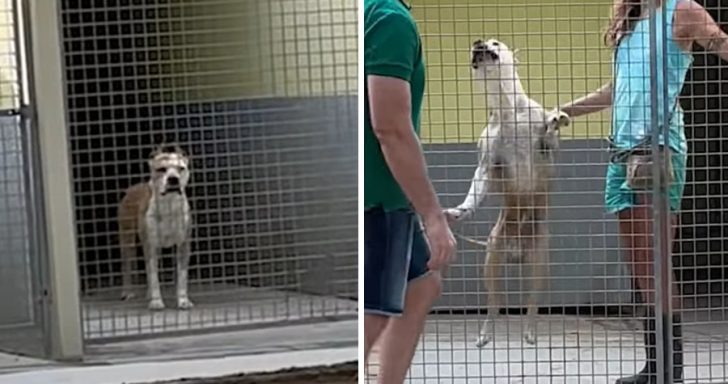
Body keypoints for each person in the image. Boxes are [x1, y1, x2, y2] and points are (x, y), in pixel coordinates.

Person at [557, 0, 728, 382]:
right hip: (622, 155)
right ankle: (655, 367)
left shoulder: (681, 10)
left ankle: (671, 372)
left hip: (658, 152)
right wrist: (562, 112)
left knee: (656, 267)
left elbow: (719, 43)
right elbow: (617, 89)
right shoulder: (631, 19)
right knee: (640, 269)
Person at [363, 0, 458, 383]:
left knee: (422, 283)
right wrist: (432, 215)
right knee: (374, 315)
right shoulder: (390, 18)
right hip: (380, 197)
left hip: (386, 195)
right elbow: (391, 128)